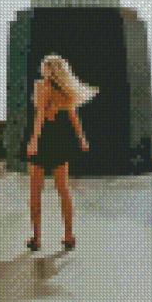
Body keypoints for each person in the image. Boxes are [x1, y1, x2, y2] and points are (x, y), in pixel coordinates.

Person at [20, 54, 99, 252]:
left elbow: (39, 117)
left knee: (35, 191)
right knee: (63, 189)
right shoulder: (64, 90)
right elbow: (74, 117)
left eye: (44, 65)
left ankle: (36, 238)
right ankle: (69, 236)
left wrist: (33, 141)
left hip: (44, 138)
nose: (41, 68)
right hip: (60, 140)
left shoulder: (41, 86)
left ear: (49, 69)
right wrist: (82, 139)